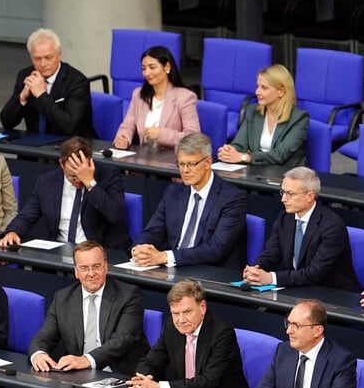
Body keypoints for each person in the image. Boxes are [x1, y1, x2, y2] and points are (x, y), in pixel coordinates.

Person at [28, 241, 147, 374]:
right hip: (79, 373)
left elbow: (122, 340)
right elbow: (43, 337)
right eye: (84, 268)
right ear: (76, 271)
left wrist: (86, 360)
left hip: (119, 372)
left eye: (96, 266)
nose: (91, 273)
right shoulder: (63, 298)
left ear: (106, 266)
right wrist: (38, 354)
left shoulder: (128, 295)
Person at [132, 133, 247, 269]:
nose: (185, 170)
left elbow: (215, 249)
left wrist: (166, 257)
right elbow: (153, 231)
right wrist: (139, 250)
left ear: (208, 163)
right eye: (181, 164)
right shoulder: (173, 192)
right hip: (176, 266)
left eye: (191, 164)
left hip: (211, 271)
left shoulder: (232, 198)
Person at [0, 136, 131, 251]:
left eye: (81, 175)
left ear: (90, 162)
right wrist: (13, 232)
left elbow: (115, 215)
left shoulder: (109, 175)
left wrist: (90, 182)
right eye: (73, 177)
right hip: (61, 251)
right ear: (61, 164)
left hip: (100, 250)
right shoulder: (47, 182)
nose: (78, 180)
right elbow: (27, 216)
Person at [242, 167, 360, 291]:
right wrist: (256, 270)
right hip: (298, 286)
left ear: (310, 196)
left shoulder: (332, 226)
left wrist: (272, 278)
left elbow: (314, 273)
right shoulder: (285, 218)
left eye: (290, 194)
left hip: (331, 292)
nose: (283, 199)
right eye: (282, 192)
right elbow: (270, 254)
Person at [128, 280, 250, 388]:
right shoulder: (171, 327)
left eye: (187, 312)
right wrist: (141, 381)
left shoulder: (222, 333)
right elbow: (151, 361)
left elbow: (208, 381)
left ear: (202, 307)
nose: (181, 320)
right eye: (175, 313)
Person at [252, 299, 357, 388]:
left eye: (296, 325)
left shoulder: (341, 360)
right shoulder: (284, 351)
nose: (288, 331)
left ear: (317, 330)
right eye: (288, 323)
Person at [0, 28, 96, 138]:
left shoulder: (77, 82)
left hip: (70, 144)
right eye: (37, 59)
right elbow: (6, 123)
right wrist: (22, 98)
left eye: (48, 58)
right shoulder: (25, 76)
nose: (43, 64)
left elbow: (70, 127)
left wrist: (41, 95)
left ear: (59, 55)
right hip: (35, 143)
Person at [216, 64, 308, 167]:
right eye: (257, 86)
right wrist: (230, 151)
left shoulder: (299, 118)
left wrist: (245, 157)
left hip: (284, 172)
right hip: (256, 170)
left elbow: (279, 154)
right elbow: (240, 144)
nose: (257, 92)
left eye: (264, 88)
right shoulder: (252, 111)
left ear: (281, 92)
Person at [113, 46, 200, 150]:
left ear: (167, 67)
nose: (147, 73)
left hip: (172, 157)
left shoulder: (185, 97)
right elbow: (128, 125)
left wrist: (161, 134)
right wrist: (123, 138)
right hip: (143, 155)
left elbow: (194, 138)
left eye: (152, 67)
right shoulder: (138, 94)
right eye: (143, 69)